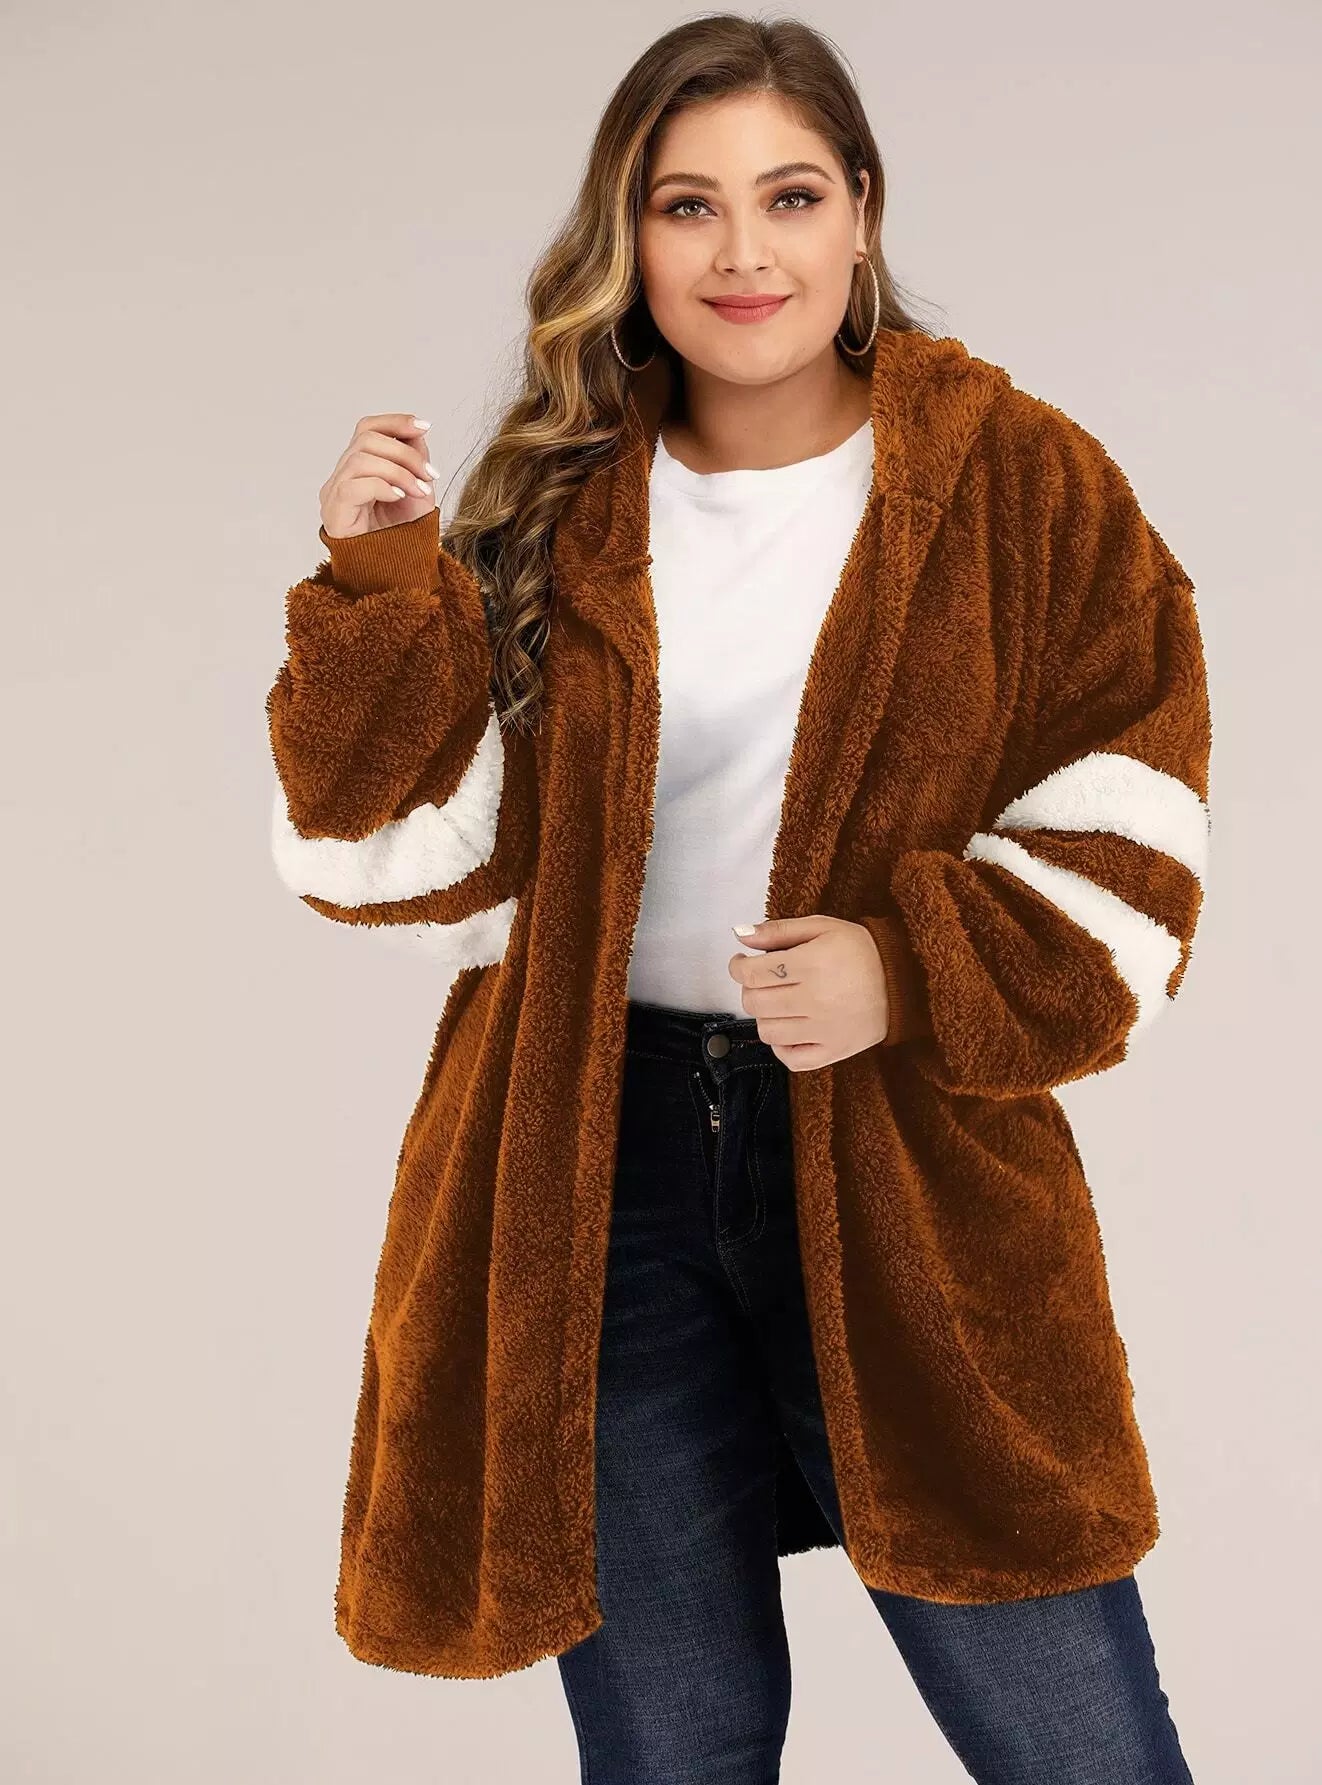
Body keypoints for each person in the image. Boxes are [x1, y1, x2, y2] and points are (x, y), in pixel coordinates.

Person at [266, 15, 1208, 1783]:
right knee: (675, 1751)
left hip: (908, 1164)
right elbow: (395, 871)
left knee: (1083, 1744)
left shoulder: (1020, 483)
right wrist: (382, 593)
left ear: (863, 209)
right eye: (685, 205)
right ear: (626, 238)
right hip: (595, 1173)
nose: (741, 251)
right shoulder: (558, 502)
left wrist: (907, 967)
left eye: (788, 196)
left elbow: (1138, 843)